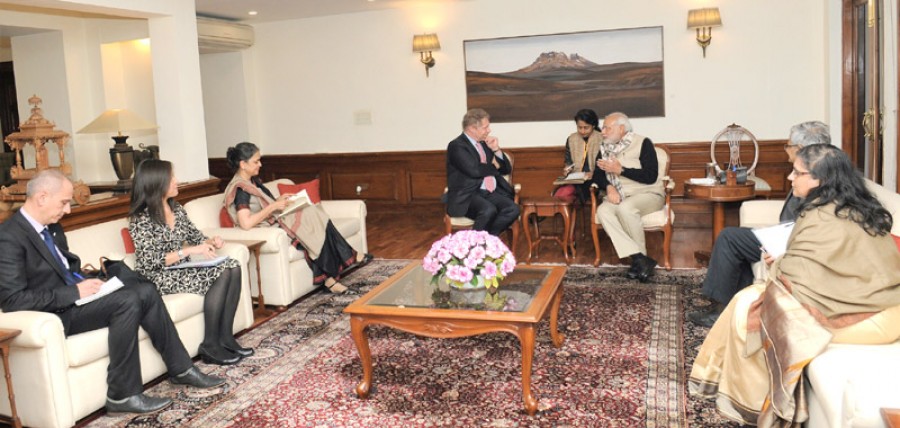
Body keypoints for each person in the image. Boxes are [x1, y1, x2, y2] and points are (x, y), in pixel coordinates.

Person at [689, 144, 900, 425]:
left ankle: (751, 403)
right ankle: (720, 381)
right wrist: (783, 261)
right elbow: (820, 270)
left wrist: (777, 262)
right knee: (747, 298)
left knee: (749, 310)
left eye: (797, 172)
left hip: (870, 318)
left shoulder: (823, 216)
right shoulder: (850, 206)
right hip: (881, 307)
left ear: (821, 179)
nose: (790, 177)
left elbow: (792, 280)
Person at [0, 170, 225, 415]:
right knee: (127, 300)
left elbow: (66, 270)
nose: (68, 210)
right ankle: (122, 394)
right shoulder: (9, 237)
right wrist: (74, 292)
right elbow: (13, 300)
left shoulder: (52, 227)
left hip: (78, 297)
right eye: (64, 202)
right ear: (42, 197)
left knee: (145, 290)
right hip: (58, 313)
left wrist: (92, 282)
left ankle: (182, 369)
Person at [688, 121, 831, 327]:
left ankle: (721, 311)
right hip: (786, 233)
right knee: (737, 239)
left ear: (800, 148)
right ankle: (738, 306)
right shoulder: (821, 168)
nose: (786, 149)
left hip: (791, 240)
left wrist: (779, 240)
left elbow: (810, 223)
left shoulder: (814, 176)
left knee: (729, 238)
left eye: (788, 145)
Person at [129, 159, 252, 366]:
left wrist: (211, 241)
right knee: (222, 271)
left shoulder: (176, 209)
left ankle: (225, 337)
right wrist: (187, 251)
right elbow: (149, 260)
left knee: (233, 266)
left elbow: (196, 237)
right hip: (156, 276)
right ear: (156, 182)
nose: (176, 181)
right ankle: (210, 345)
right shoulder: (141, 219)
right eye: (171, 178)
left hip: (180, 268)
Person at [223, 142, 372, 294]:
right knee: (309, 221)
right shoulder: (241, 189)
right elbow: (246, 223)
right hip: (266, 228)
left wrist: (278, 200)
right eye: (256, 161)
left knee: (313, 213)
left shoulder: (252, 181)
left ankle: (336, 274)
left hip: (274, 220)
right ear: (243, 164)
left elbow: (262, 205)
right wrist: (274, 206)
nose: (260, 164)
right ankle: (345, 262)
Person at [588, 111, 662, 282]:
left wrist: (620, 170)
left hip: (647, 193)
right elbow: (597, 175)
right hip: (619, 194)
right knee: (604, 211)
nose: (603, 132)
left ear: (621, 128)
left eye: (607, 128)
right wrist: (609, 188)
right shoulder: (604, 148)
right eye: (603, 128)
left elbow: (650, 176)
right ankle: (640, 259)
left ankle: (639, 261)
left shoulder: (643, 143)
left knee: (626, 208)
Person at [446, 108, 520, 236]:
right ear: (472, 128)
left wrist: (496, 149)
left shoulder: (485, 144)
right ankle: (477, 244)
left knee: (513, 209)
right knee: (488, 210)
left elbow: (506, 169)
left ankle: (486, 240)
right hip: (468, 195)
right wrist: (494, 165)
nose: (489, 130)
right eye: (485, 127)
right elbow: (474, 171)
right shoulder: (457, 146)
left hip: (489, 192)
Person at [559, 108, 603, 203]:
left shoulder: (601, 139)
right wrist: (567, 169)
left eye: (586, 128)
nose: (582, 131)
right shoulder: (571, 139)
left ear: (593, 125)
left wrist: (593, 173)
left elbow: (604, 163)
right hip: (576, 179)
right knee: (561, 194)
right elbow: (568, 161)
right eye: (579, 127)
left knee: (575, 191)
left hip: (595, 180)